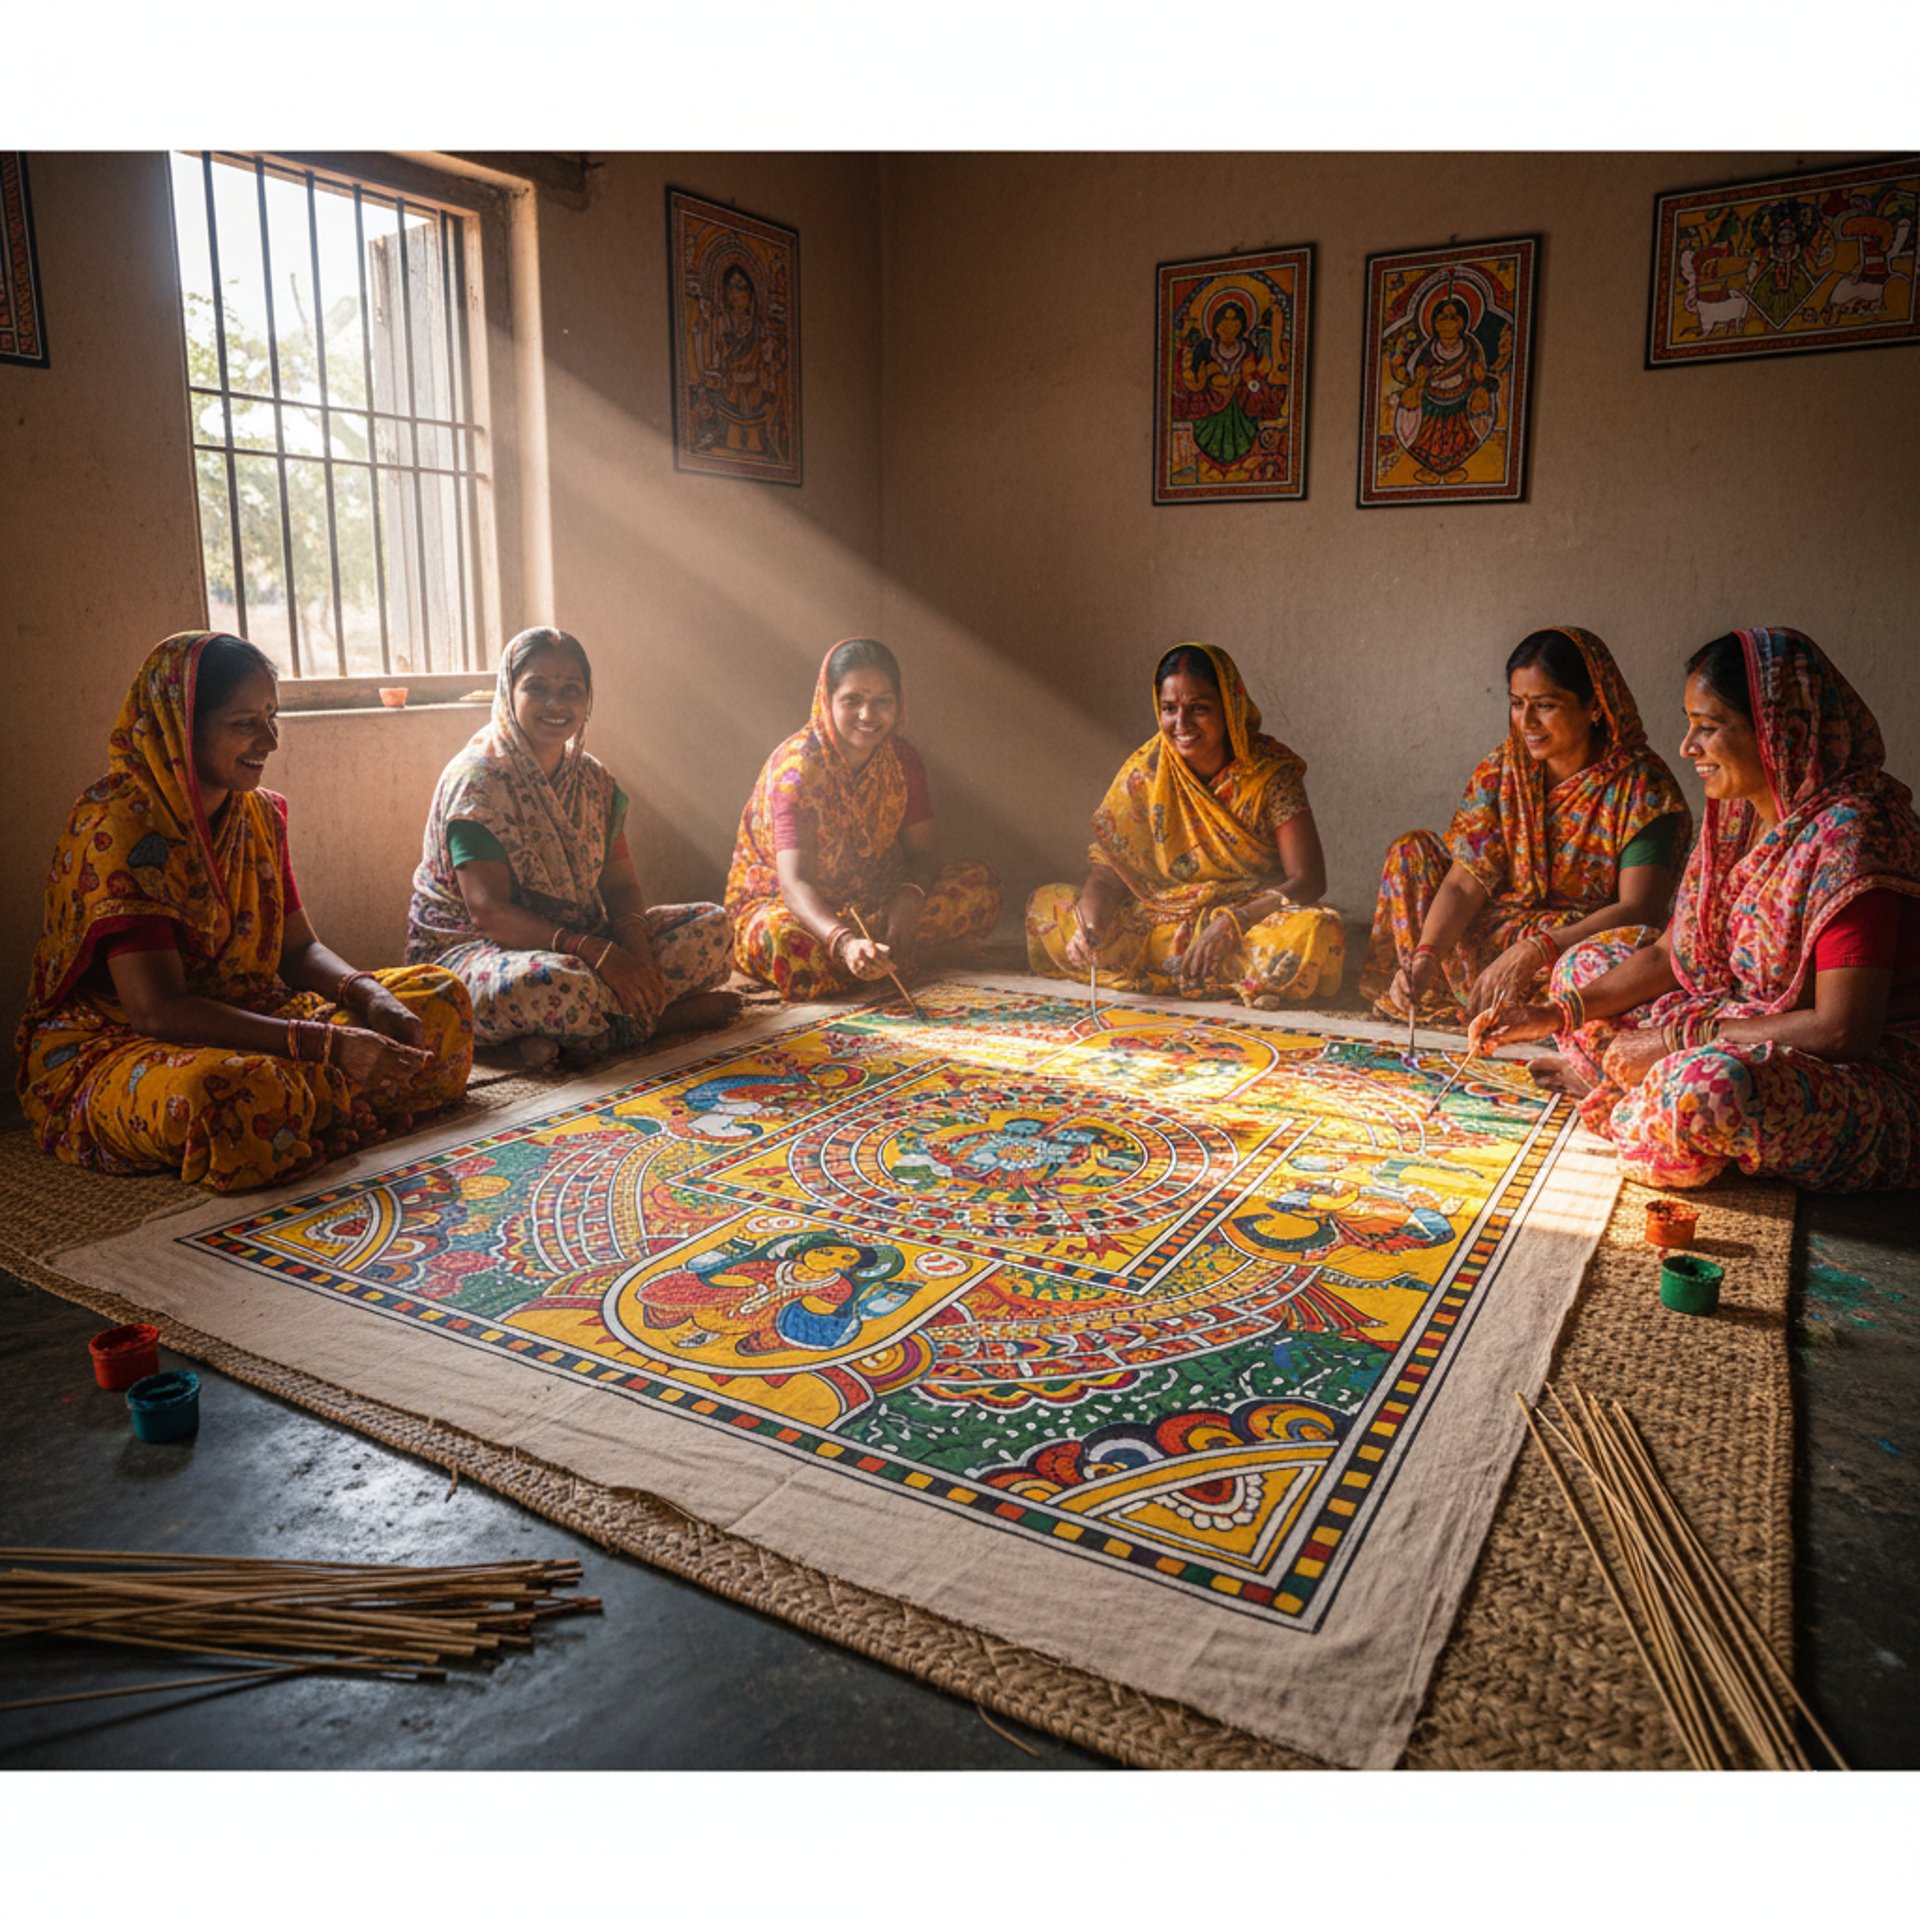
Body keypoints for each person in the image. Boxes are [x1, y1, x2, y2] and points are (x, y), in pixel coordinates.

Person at [17, 633, 473, 1192]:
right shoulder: (121, 827)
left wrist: (367, 995)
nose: (271, 740)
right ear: (183, 728)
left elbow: (298, 948)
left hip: (256, 1013)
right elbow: (158, 1011)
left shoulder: (257, 815)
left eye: (272, 716)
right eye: (244, 723)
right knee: (240, 1093)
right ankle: (313, 1101)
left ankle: (312, 1103)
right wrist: (325, 1045)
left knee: (439, 1002)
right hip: (125, 1041)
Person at [1483, 629, 1920, 1192]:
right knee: (1580, 968)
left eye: (1708, 727)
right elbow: (1671, 953)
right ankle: (1649, 1095)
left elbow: (1843, 1030)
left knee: (1709, 1088)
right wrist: (1554, 1014)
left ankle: (1642, 1101)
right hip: (1738, 1018)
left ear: (1777, 734)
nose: (1688, 746)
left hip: (1860, 1072)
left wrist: (1675, 1041)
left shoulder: (1853, 836)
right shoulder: (1736, 818)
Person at [407, 627, 736, 1066]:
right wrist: (599, 954)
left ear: (587, 699)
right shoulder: (479, 782)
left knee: (712, 927)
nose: (555, 704)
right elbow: (488, 913)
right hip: (475, 953)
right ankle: (657, 1021)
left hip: (582, 942)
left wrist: (634, 956)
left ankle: (582, 1036)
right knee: (558, 987)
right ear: (509, 692)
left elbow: (619, 886)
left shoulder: (593, 781)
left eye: (570, 690)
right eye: (537, 688)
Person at [1362, 626, 1691, 1028]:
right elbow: (1464, 883)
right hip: (1495, 930)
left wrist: (1538, 947)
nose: (1527, 721)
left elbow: (1640, 910)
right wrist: (1427, 955)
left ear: (1595, 706)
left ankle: (1541, 1013)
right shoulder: (1504, 770)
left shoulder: (1642, 788)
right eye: (1517, 704)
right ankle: (1431, 988)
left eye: (1545, 705)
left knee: (1603, 968)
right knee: (1410, 852)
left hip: (1574, 941)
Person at [1026, 644, 1344, 1006]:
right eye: (1169, 709)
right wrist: (1092, 929)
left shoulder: (1270, 773)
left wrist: (1231, 922)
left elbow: (1309, 880)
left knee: (1316, 930)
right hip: (1161, 917)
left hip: (1245, 918)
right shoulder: (1146, 771)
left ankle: (1178, 966)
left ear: (1230, 708)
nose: (1182, 725)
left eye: (1199, 709)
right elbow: (1106, 874)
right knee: (1047, 905)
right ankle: (1219, 974)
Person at [726, 638, 1002, 1000]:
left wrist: (908, 899)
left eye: (881, 702)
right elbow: (794, 885)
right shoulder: (798, 770)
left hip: (876, 903)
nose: (867, 716)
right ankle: (895, 960)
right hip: (797, 913)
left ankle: (879, 960)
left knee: (978, 886)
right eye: (852, 701)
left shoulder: (902, 761)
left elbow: (923, 854)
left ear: (898, 703)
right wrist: (844, 943)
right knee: (791, 950)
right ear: (828, 701)